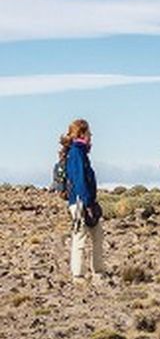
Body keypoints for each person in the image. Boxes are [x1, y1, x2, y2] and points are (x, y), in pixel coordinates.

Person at [61, 119, 105, 283]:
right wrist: (87, 203)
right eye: (89, 134)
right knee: (81, 237)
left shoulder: (77, 152)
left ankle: (94, 272)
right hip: (82, 203)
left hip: (81, 201)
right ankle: (80, 275)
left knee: (94, 236)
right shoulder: (77, 153)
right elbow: (80, 179)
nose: (91, 137)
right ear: (82, 134)